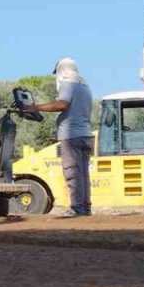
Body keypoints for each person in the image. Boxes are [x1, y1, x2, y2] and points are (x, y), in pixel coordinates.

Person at [23, 57, 94, 217]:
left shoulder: (68, 83)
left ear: (61, 71)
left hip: (71, 135)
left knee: (72, 172)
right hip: (86, 134)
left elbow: (62, 104)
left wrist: (36, 107)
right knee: (83, 174)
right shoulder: (84, 85)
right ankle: (85, 207)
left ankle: (77, 208)